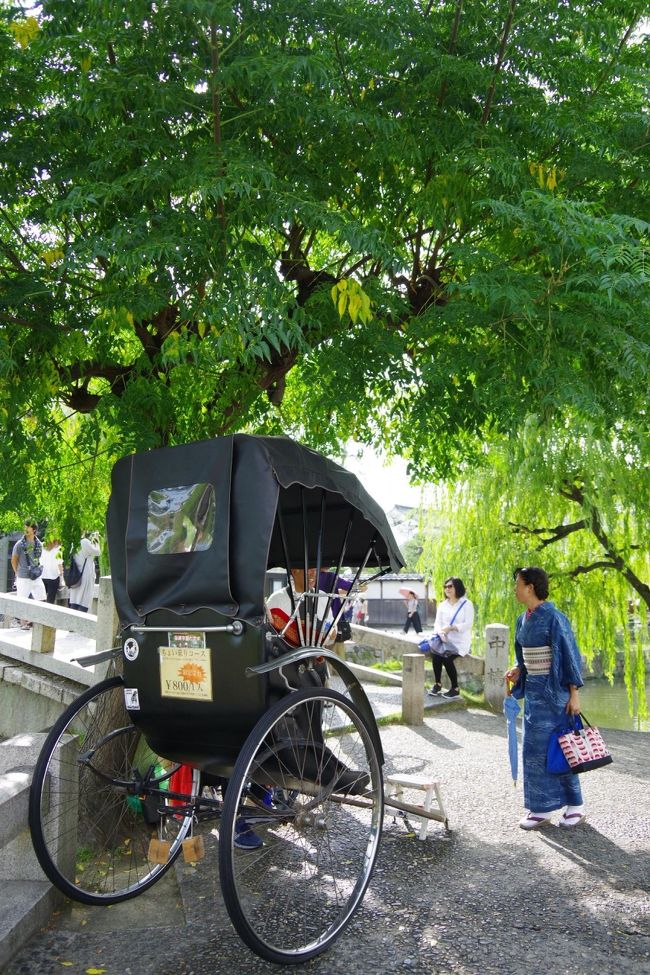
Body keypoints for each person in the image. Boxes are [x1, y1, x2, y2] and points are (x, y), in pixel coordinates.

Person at [505, 566, 585, 830]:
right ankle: (540, 808)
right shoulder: (522, 619)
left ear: (530, 587)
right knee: (533, 751)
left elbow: (569, 655)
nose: (515, 589)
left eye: (518, 584)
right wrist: (519, 669)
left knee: (561, 748)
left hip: (555, 693)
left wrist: (574, 694)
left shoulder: (555, 617)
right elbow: (523, 655)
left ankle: (575, 805)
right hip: (535, 695)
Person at [427, 577, 474, 699]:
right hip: (444, 639)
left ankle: (455, 688)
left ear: (457, 587)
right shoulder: (443, 605)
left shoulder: (466, 604)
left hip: (459, 642)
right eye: (445, 587)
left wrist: (452, 627)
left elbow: (468, 624)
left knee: (447, 658)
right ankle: (437, 684)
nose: (447, 589)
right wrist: (440, 633)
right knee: (436, 655)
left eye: (450, 586)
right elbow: (437, 623)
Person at [11, 520, 47, 627]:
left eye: (28, 527)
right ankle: (23, 624)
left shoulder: (38, 544)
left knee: (41, 597)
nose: (25, 529)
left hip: (36, 575)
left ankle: (35, 621)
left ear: (34, 530)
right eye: (25, 526)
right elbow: (14, 559)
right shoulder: (20, 544)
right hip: (23, 576)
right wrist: (17, 573)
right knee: (22, 600)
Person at [67, 531, 101, 612]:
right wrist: (96, 541)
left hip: (75, 576)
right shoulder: (84, 542)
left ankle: (72, 623)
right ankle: (80, 623)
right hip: (85, 575)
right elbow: (98, 552)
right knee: (84, 601)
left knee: (75, 601)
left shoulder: (72, 544)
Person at [41, 538, 63, 604]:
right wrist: (62, 577)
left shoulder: (41, 545)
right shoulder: (58, 548)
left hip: (42, 576)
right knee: (50, 600)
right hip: (53, 577)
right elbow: (59, 564)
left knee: (41, 599)